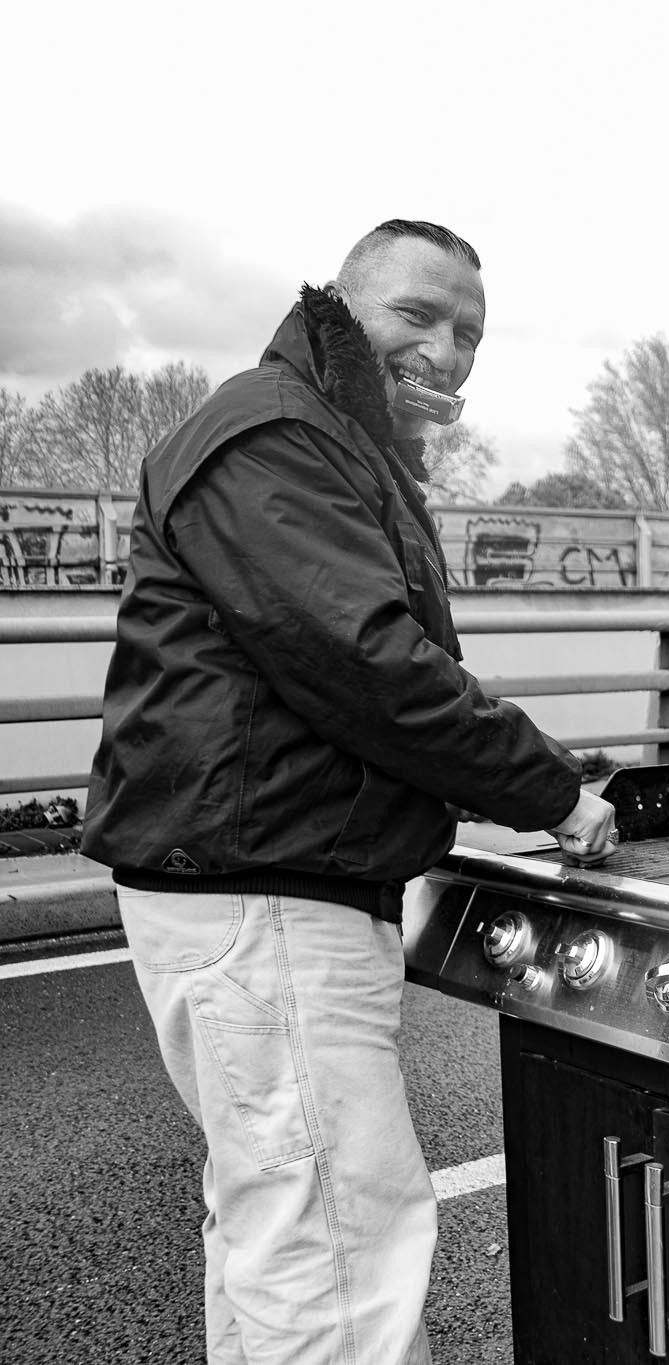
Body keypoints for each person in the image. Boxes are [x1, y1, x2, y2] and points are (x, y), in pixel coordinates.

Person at [81, 219, 616, 1364]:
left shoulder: (319, 439)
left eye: (469, 331)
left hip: (259, 883)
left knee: (277, 1235)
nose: (448, 350)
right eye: (416, 314)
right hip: (266, 893)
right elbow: (367, 664)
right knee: (340, 1262)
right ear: (340, 304)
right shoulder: (275, 435)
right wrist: (555, 794)